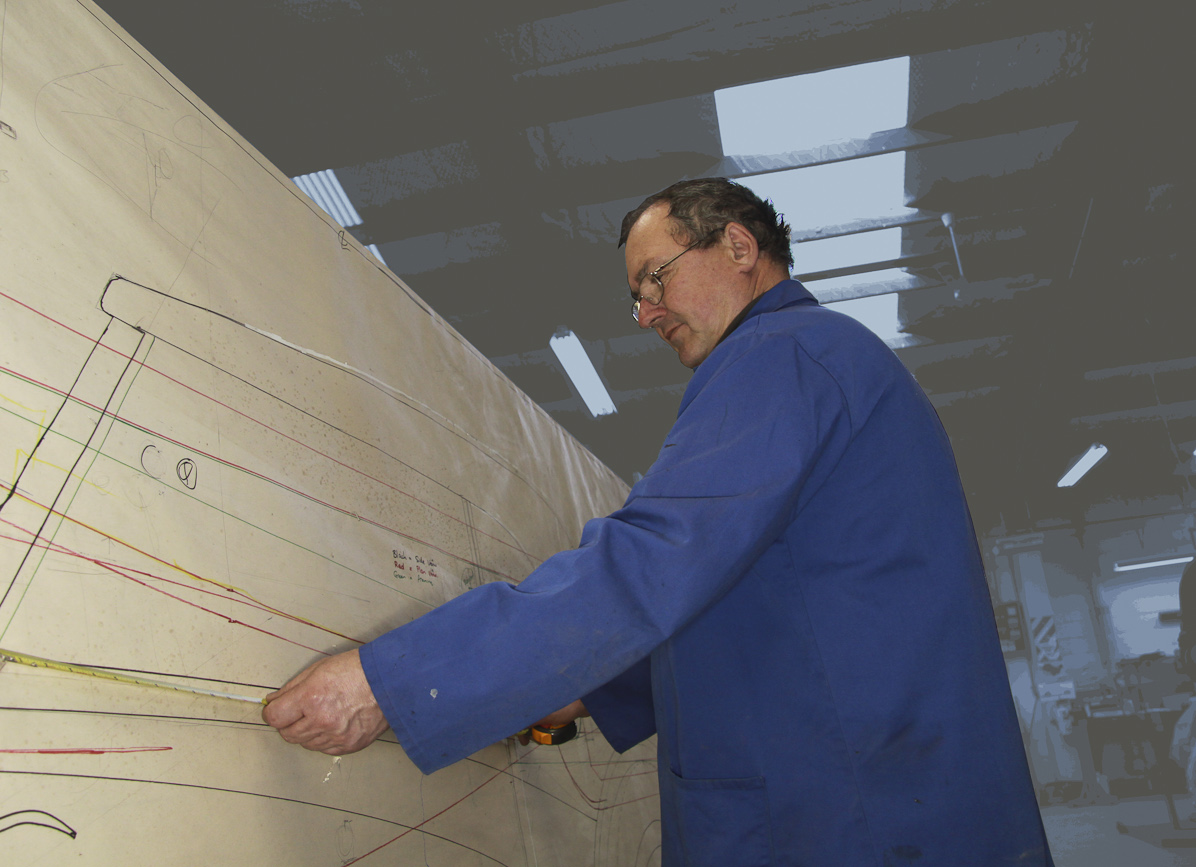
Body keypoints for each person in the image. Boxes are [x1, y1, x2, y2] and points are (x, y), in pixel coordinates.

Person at [263, 178, 1053, 865]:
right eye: (636, 296)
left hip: (849, 818)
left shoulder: (780, 357)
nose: (645, 313)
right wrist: (584, 693)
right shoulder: (827, 359)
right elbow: (744, 597)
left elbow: (656, 559)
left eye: (656, 279)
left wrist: (394, 680)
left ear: (739, 247)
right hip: (883, 798)